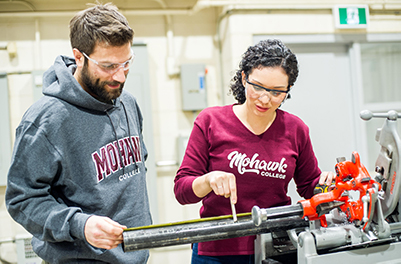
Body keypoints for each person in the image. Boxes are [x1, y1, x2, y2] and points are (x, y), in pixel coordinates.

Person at [6, 3, 152, 263]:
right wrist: (79, 225)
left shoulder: (127, 102)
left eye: (126, 63)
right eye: (108, 66)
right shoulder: (45, 120)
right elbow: (22, 199)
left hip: (135, 257)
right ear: (79, 56)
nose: (120, 76)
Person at [174, 39, 335, 263]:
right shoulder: (210, 122)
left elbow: (310, 188)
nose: (265, 99)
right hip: (218, 250)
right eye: (257, 87)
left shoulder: (296, 129)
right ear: (243, 79)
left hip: (277, 247)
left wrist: (327, 185)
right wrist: (209, 180)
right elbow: (182, 190)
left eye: (277, 92)